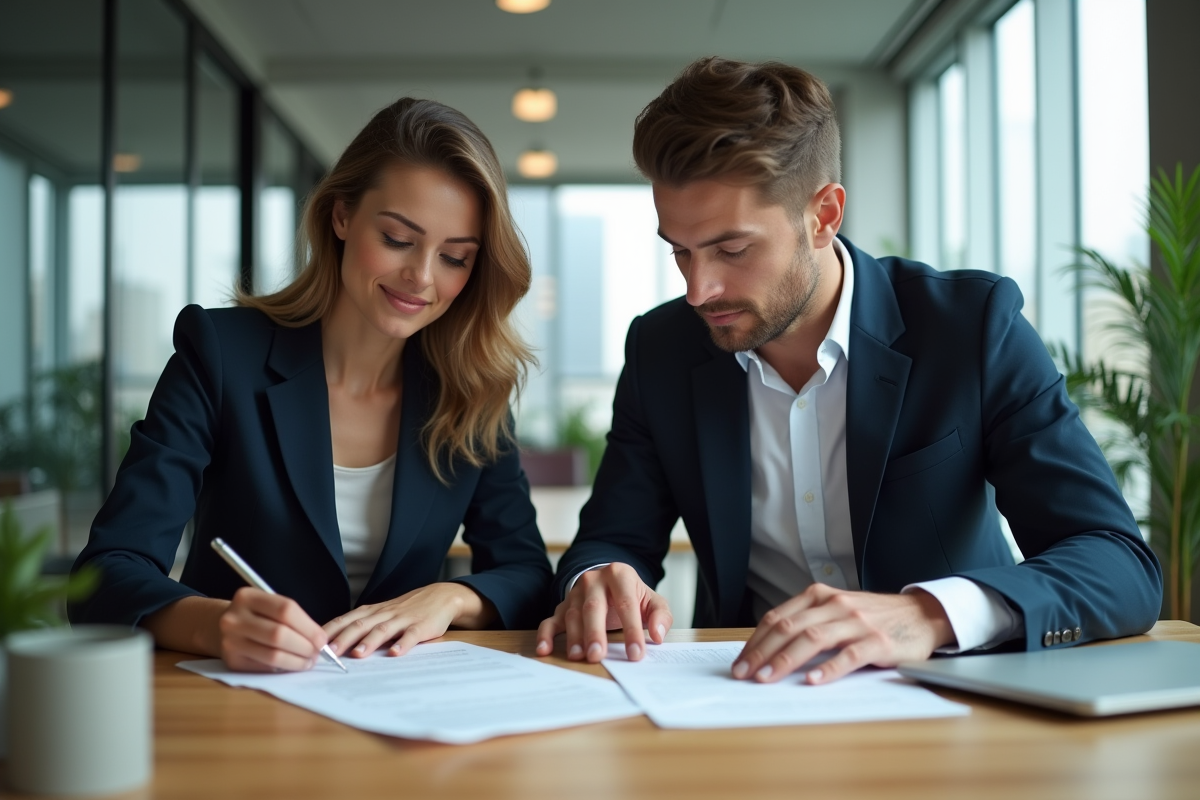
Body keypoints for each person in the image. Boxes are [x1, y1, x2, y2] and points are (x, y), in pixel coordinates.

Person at [536, 57, 1162, 685]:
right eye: (680, 251)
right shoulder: (661, 348)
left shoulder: (970, 327)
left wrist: (928, 615)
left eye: (732, 249)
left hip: (955, 699)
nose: (700, 290)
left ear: (824, 216)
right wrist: (599, 580)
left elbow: (1116, 562)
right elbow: (611, 539)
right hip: (737, 696)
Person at [71, 98, 552, 673]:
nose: (422, 277)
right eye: (399, 239)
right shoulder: (222, 353)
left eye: (454, 257)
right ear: (341, 215)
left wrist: (448, 598)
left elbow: (527, 575)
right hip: (234, 703)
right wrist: (216, 625)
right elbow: (106, 572)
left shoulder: (471, 388)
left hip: (402, 709)